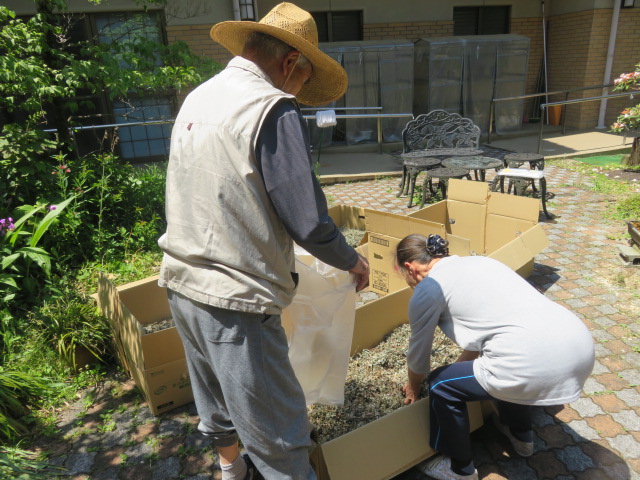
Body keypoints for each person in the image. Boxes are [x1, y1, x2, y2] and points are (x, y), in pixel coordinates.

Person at [157, 3, 369, 480]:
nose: (297, 91)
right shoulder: (269, 107)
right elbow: (309, 220)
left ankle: (232, 473)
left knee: (215, 401)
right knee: (279, 437)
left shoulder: (199, 97)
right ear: (290, 63)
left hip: (181, 280)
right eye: (301, 80)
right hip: (236, 298)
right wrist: (352, 260)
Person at [395, 234, 594, 480]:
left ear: (409, 267)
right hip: (578, 344)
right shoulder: (482, 262)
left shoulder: (427, 289)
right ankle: (521, 436)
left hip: (533, 361)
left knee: (440, 384)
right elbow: (484, 335)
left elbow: (418, 354)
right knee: (503, 362)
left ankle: (459, 469)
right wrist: (461, 373)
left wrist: (414, 386)